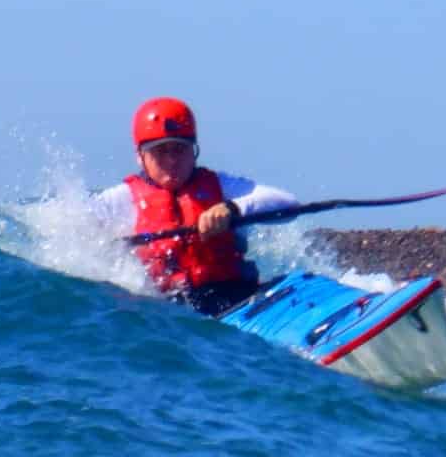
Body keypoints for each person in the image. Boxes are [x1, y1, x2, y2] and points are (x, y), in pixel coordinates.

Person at [90, 97, 298, 316]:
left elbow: (289, 204)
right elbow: (68, 231)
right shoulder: (119, 200)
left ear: (194, 151)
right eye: (160, 151)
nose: (171, 160)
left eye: (179, 149)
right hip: (167, 310)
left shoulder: (222, 185)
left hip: (236, 298)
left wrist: (232, 209)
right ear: (140, 157)